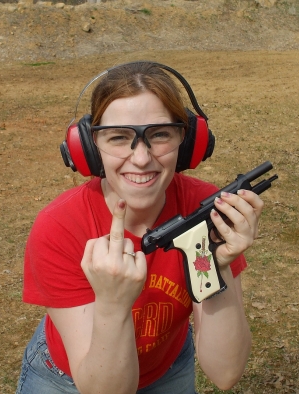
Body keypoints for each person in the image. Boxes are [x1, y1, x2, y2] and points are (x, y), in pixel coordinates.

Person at [16, 61, 264, 394]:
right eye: (119, 137)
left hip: (167, 368)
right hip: (72, 379)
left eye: (159, 134)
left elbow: (225, 372)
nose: (142, 158)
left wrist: (216, 266)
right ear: (88, 148)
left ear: (187, 142)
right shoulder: (60, 227)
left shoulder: (206, 213)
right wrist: (112, 304)